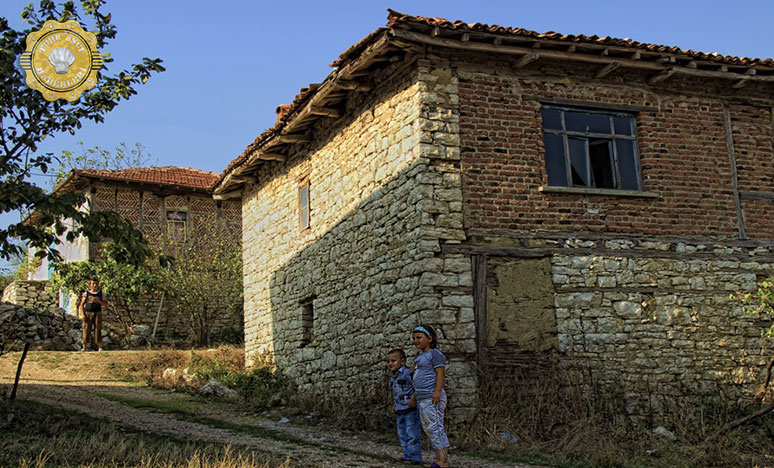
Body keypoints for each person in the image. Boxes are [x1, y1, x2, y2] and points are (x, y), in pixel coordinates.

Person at [412, 324, 450, 468]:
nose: (416, 341)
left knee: (435, 428)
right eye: (414, 338)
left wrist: (436, 392)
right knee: (430, 429)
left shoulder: (435, 354)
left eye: (419, 338)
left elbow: (440, 373)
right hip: (423, 398)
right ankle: (439, 459)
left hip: (432, 397)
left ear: (429, 338)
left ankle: (443, 461)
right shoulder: (420, 356)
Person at [387, 348, 422, 465]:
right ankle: (406, 454)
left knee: (412, 433)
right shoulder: (394, 376)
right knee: (402, 433)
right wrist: (394, 404)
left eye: (393, 361)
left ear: (402, 361)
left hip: (410, 408)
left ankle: (414, 457)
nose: (390, 364)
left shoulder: (408, 373)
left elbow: (417, 387)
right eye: (388, 361)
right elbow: (396, 392)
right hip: (399, 409)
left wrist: (413, 399)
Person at [78, 278, 108, 352]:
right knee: (86, 329)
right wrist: (82, 314)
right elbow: (81, 305)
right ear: (90, 285)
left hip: (97, 313)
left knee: (98, 329)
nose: (94, 285)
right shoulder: (86, 294)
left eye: (96, 283)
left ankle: (99, 347)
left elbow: (106, 304)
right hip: (88, 313)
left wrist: (98, 301)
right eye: (93, 283)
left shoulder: (101, 294)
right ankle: (84, 347)